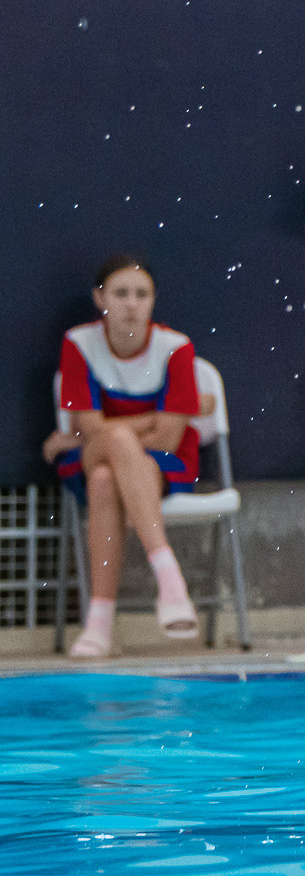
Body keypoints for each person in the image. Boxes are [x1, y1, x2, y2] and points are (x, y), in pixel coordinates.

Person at [45, 257, 216, 658]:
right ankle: (169, 578)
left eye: (142, 294)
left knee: (107, 479)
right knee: (113, 447)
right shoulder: (78, 343)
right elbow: (88, 428)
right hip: (94, 453)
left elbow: (169, 440)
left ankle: (99, 625)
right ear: (99, 297)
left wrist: (117, 428)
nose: (131, 304)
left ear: (154, 300)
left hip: (161, 462)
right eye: (121, 294)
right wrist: (152, 417)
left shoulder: (176, 347)